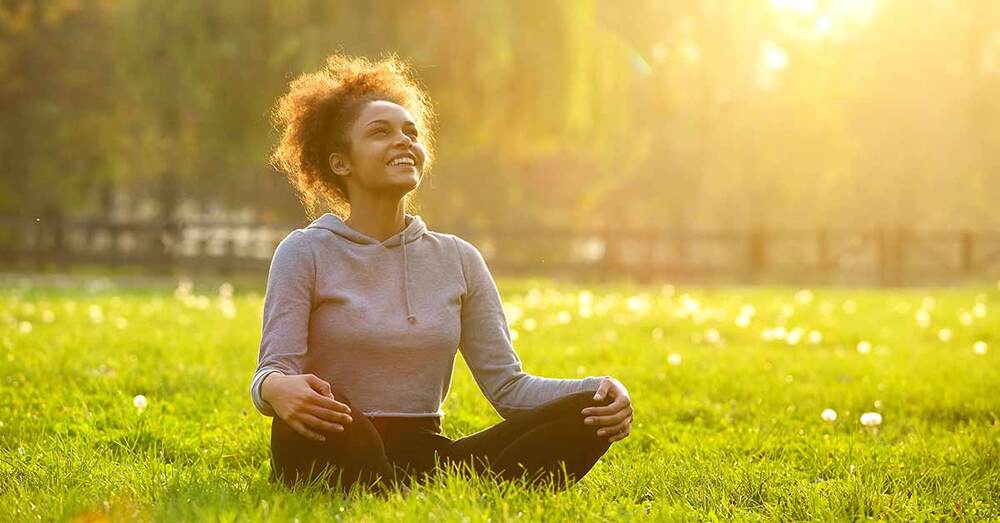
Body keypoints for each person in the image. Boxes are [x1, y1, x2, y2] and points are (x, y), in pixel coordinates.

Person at [250, 53, 634, 495]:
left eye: (410, 133)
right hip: (332, 438)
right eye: (380, 133)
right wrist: (276, 389)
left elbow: (508, 387)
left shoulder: (458, 258)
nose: (403, 141)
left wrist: (604, 389)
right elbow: (273, 371)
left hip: (427, 454)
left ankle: (396, 490)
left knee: (590, 411)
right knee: (339, 419)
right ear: (341, 163)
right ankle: (397, 489)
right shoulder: (305, 251)